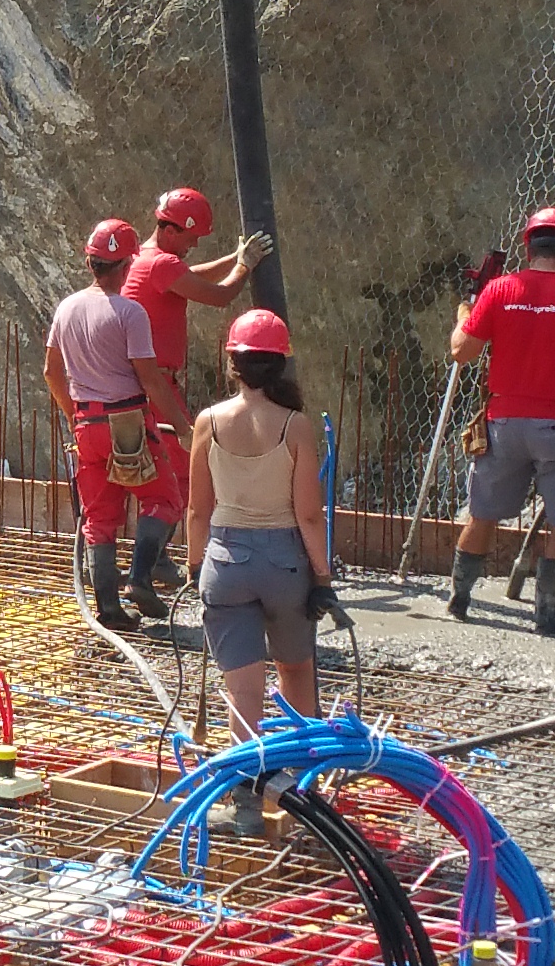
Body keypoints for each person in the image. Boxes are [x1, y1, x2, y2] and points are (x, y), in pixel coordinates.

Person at [444, 205, 555, 635]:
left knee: (482, 513)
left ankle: (460, 599)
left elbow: (461, 353)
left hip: (503, 423)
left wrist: (464, 316)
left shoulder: (500, 290)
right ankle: (548, 616)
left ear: (528, 248)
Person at [116, 186, 269, 622]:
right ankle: (141, 576)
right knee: (179, 475)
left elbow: (189, 271)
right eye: (191, 235)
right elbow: (218, 294)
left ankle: (153, 562)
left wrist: (233, 257)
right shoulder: (162, 264)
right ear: (174, 229)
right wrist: (244, 266)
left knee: (165, 477)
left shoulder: (146, 260)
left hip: (142, 386)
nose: (194, 243)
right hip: (156, 386)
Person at [184, 307, 340, 727]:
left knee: (243, 689)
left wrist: (195, 565)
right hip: (284, 566)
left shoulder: (208, 422)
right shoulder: (295, 425)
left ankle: (247, 786)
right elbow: (308, 515)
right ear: (280, 364)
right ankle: (300, 769)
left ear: (232, 362)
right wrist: (322, 579)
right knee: (296, 672)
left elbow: (198, 508)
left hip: (225, 563)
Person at [44, 217, 163, 632]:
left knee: (99, 516)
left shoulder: (67, 308)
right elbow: (149, 378)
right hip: (126, 419)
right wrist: (184, 428)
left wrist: (72, 415)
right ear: (127, 265)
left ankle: (109, 610)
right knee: (164, 498)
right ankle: (140, 578)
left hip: (86, 421)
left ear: (92, 262)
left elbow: (51, 373)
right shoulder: (130, 313)